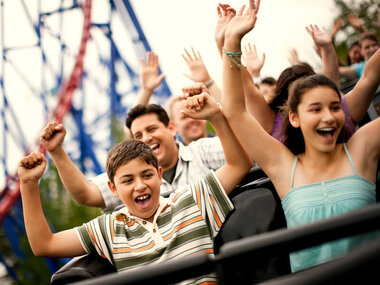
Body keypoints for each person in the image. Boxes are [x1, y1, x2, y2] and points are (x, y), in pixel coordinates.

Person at [19, 90, 251, 284]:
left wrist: (216, 117)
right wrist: (29, 184)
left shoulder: (192, 200)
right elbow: (43, 244)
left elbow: (239, 163)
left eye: (147, 175)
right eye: (128, 181)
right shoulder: (110, 228)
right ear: (113, 188)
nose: (140, 186)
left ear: (159, 175)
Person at [220, 0, 380, 272]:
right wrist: (232, 40)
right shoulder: (283, 166)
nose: (328, 117)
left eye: (334, 107)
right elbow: (235, 111)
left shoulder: (362, 149)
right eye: (315, 109)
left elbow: (373, 73)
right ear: (293, 118)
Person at [40, 88, 227, 213]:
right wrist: (57, 152)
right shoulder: (130, 178)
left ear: (171, 128)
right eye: (138, 136)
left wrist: (215, 113)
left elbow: (243, 152)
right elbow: (85, 193)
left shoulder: (201, 152)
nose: (146, 138)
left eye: (152, 129)